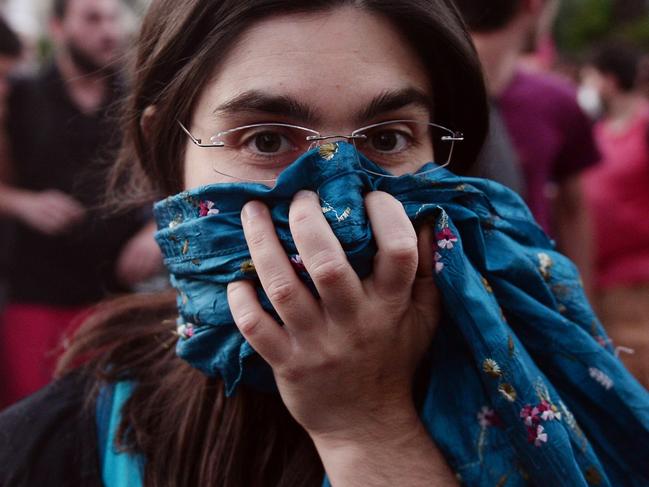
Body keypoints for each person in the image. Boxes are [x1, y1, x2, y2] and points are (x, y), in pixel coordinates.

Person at [1, 1, 648, 486]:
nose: (332, 205)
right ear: (172, 154)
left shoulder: (540, 384)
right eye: (265, 139)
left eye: (386, 138)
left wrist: (366, 427)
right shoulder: (50, 452)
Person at [0, 0, 162, 408]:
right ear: (58, 28)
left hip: (117, 300)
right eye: (91, 18)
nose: (108, 31)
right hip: (38, 297)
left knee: (109, 427)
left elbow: (176, 174)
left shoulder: (140, 100)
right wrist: (22, 203)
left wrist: (155, 230)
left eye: (112, 18)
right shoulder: (18, 96)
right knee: (30, 428)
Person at [454, 0, 599, 296]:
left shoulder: (556, 101)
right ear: (535, 5)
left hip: (533, 296)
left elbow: (572, 211)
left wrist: (580, 307)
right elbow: (574, 209)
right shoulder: (433, 89)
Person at [580, 43, 649, 388]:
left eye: (590, 79)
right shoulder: (596, 133)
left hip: (640, 287)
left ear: (608, 80)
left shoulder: (644, 126)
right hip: (604, 288)